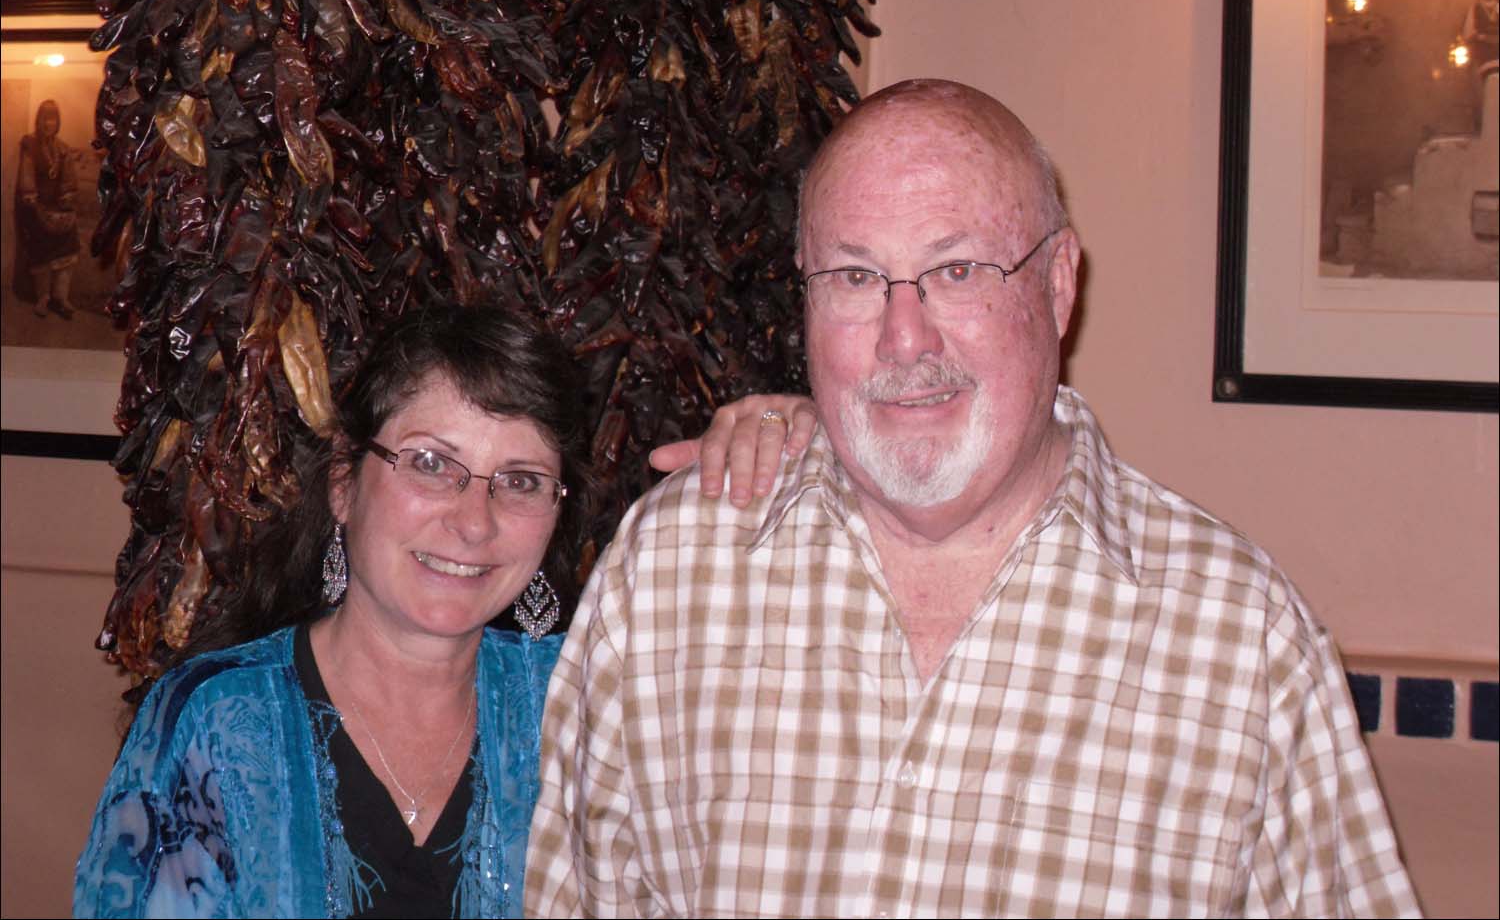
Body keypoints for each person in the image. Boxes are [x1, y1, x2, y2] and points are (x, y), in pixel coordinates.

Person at [524, 80, 1421, 918]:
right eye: (855, 278)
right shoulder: (670, 575)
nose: (904, 338)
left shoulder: (1242, 644)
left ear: (1058, 284)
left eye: (957, 271)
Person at [73, 301, 813, 919]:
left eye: (520, 480)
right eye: (431, 463)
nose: (474, 521)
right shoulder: (215, 721)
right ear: (343, 482)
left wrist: (810, 442)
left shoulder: (586, 706)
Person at [12, 99, 82, 318]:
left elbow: (69, 180)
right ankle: (43, 297)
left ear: (57, 122)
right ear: (38, 121)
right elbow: (26, 176)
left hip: (57, 205)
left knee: (69, 243)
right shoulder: (30, 145)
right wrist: (31, 198)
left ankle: (61, 297)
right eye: (44, 119)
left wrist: (67, 197)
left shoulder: (63, 149)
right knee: (41, 247)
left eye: (52, 119)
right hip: (35, 206)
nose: (47, 124)